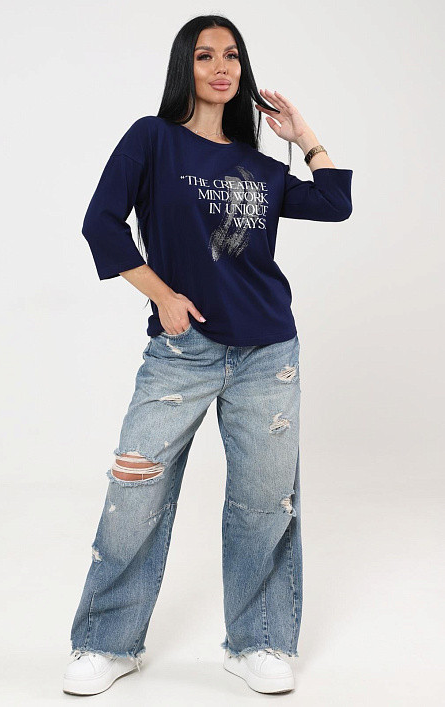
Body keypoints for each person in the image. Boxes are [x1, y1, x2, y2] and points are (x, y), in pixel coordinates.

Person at [63, 14, 353, 697]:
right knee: (136, 492)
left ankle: (259, 642)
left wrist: (302, 135)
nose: (221, 67)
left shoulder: (259, 165)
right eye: (204, 56)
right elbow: (100, 222)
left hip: (268, 352)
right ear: (184, 67)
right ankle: (106, 642)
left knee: (264, 502)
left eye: (232, 56)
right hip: (182, 352)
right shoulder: (153, 139)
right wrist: (161, 293)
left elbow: (334, 202)